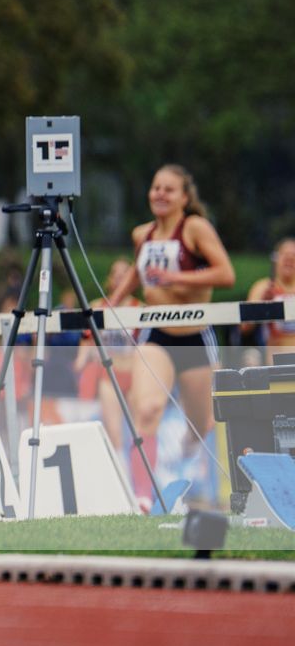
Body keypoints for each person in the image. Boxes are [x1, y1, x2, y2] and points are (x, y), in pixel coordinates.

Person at [104, 164, 235, 485]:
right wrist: (114, 302)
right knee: (146, 409)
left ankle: (191, 450)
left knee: (200, 422)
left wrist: (175, 277)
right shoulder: (142, 234)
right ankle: (144, 498)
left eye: (168, 189)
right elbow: (137, 269)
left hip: (195, 336)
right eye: (155, 187)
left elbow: (226, 275)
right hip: (156, 335)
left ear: (184, 197)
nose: (160, 194)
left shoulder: (195, 228)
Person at [246, 238, 295, 359]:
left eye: (294, 256)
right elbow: (244, 328)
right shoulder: (263, 287)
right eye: (285, 255)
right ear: (275, 259)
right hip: (273, 359)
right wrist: (262, 305)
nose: (289, 259)